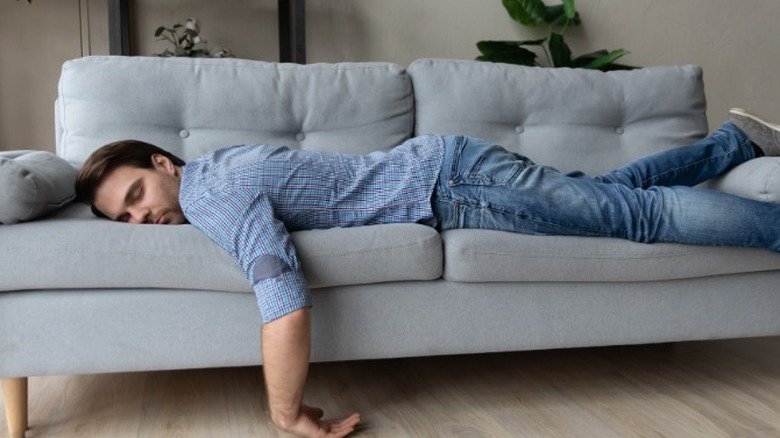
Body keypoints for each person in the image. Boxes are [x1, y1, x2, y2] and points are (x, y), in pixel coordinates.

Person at [75, 108, 780, 438]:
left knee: (638, 218)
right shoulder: (215, 170)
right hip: (450, 171)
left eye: (137, 196)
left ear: (163, 164)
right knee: (602, 193)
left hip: (454, 187)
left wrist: (282, 412)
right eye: (127, 220)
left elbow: (282, 297)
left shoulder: (209, 192)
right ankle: (731, 142)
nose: (145, 218)